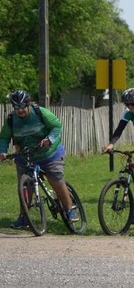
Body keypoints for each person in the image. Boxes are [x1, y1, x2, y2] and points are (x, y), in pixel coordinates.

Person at [0, 90, 79, 229]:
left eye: (22, 106)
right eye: (16, 107)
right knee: (25, 186)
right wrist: (2, 151)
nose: (20, 110)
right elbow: (5, 137)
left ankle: (69, 209)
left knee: (56, 181)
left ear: (28, 103)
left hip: (50, 153)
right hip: (26, 155)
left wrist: (49, 139)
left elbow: (56, 126)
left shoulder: (40, 112)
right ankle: (24, 217)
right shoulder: (11, 119)